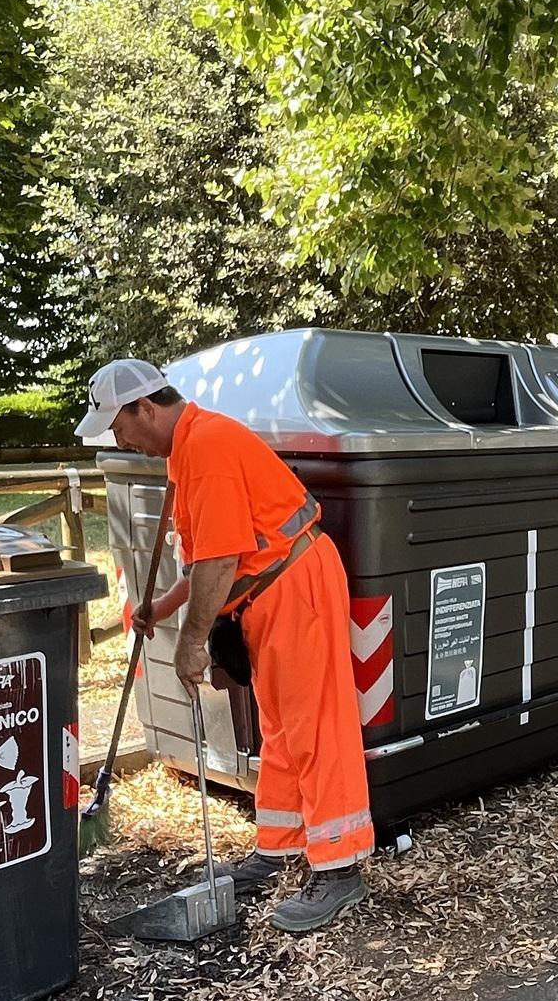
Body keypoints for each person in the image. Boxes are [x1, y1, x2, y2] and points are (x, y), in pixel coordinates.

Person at [77, 358, 374, 933]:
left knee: (316, 725)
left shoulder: (207, 447)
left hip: (294, 587)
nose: (123, 441)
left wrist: (192, 643)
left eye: (120, 427)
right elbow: (211, 551)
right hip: (270, 591)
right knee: (282, 725)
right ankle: (282, 845)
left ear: (146, 408)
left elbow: (220, 558)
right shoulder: (189, 449)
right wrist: (162, 609)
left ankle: (340, 870)